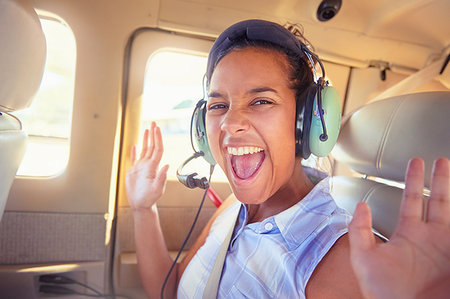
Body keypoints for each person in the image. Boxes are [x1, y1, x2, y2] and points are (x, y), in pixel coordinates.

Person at [126, 19, 450, 299]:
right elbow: (170, 290)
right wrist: (143, 208)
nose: (228, 123)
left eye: (261, 100)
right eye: (218, 105)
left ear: (307, 122)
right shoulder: (232, 209)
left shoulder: (335, 260)